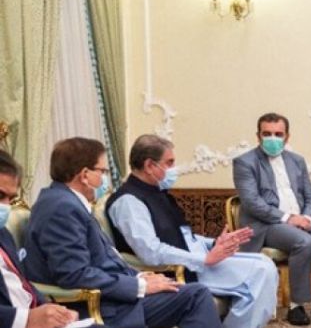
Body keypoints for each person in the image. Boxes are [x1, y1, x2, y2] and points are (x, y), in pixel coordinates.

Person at [22, 137, 221, 328]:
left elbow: (106, 257)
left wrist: (140, 277)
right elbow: (75, 274)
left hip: (115, 296)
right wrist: (139, 286)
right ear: (84, 175)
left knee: (190, 292)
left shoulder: (67, 201)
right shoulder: (62, 208)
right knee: (196, 296)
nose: (105, 178)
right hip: (100, 306)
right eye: (102, 171)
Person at [106, 134, 279, 328]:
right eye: (169, 163)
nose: (174, 169)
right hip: (180, 268)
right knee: (261, 272)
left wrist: (215, 243)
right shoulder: (128, 202)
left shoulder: (157, 192)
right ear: (149, 166)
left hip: (197, 258)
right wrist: (203, 259)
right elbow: (150, 251)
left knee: (265, 263)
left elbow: (182, 234)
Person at [233, 113, 311, 326]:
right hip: (267, 225)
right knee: (304, 242)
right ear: (258, 136)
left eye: (278, 134)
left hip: (300, 220)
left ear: (287, 136)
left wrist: (306, 217)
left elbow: (310, 196)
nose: (273, 138)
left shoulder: (296, 161)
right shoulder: (245, 162)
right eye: (267, 134)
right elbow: (252, 203)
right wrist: (288, 218)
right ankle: (296, 305)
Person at [0, 150, 103, 328]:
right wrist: (25, 318)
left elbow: (23, 286)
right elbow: (74, 273)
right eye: (0, 196)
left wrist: (54, 310)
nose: (6, 206)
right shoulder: (61, 207)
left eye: (11, 198)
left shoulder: (3, 234)